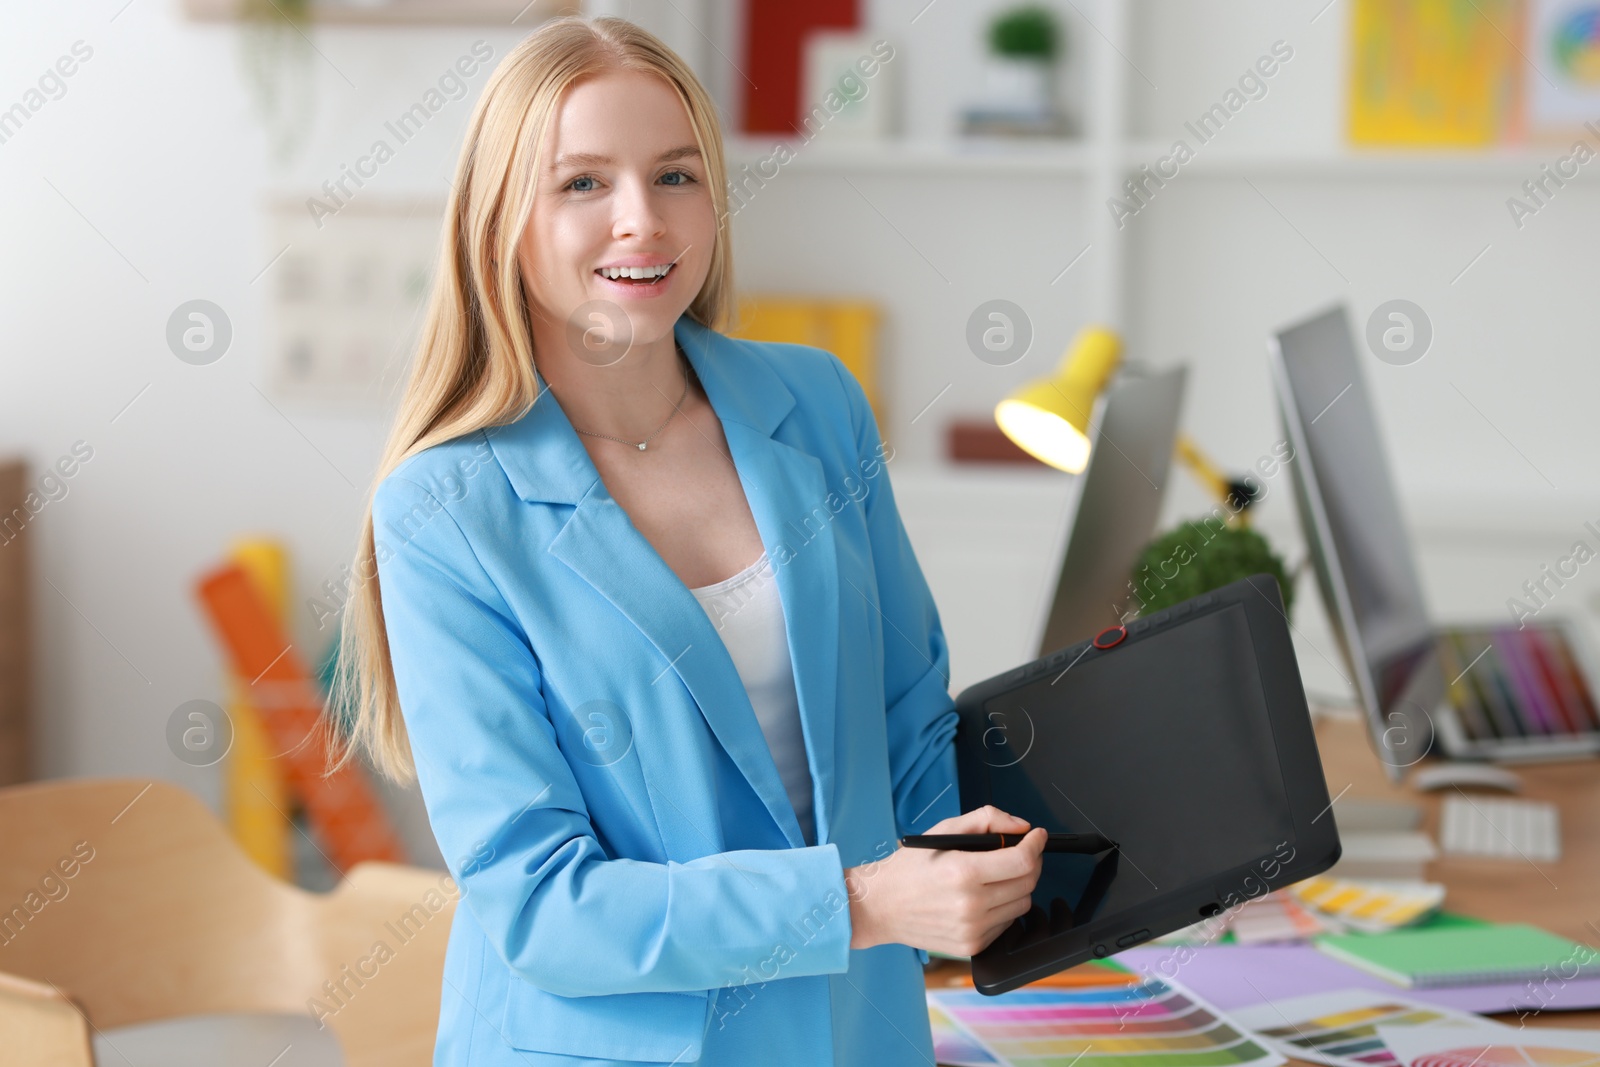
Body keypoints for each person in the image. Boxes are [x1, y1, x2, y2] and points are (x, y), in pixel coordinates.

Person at [328, 15, 1045, 1066]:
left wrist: (1040, 873)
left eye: (675, 176)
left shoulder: (817, 403)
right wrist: (863, 903)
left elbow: (909, 725)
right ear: (499, 223)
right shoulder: (444, 508)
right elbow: (543, 905)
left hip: (857, 1033)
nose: (642, 222)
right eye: (582, 184)